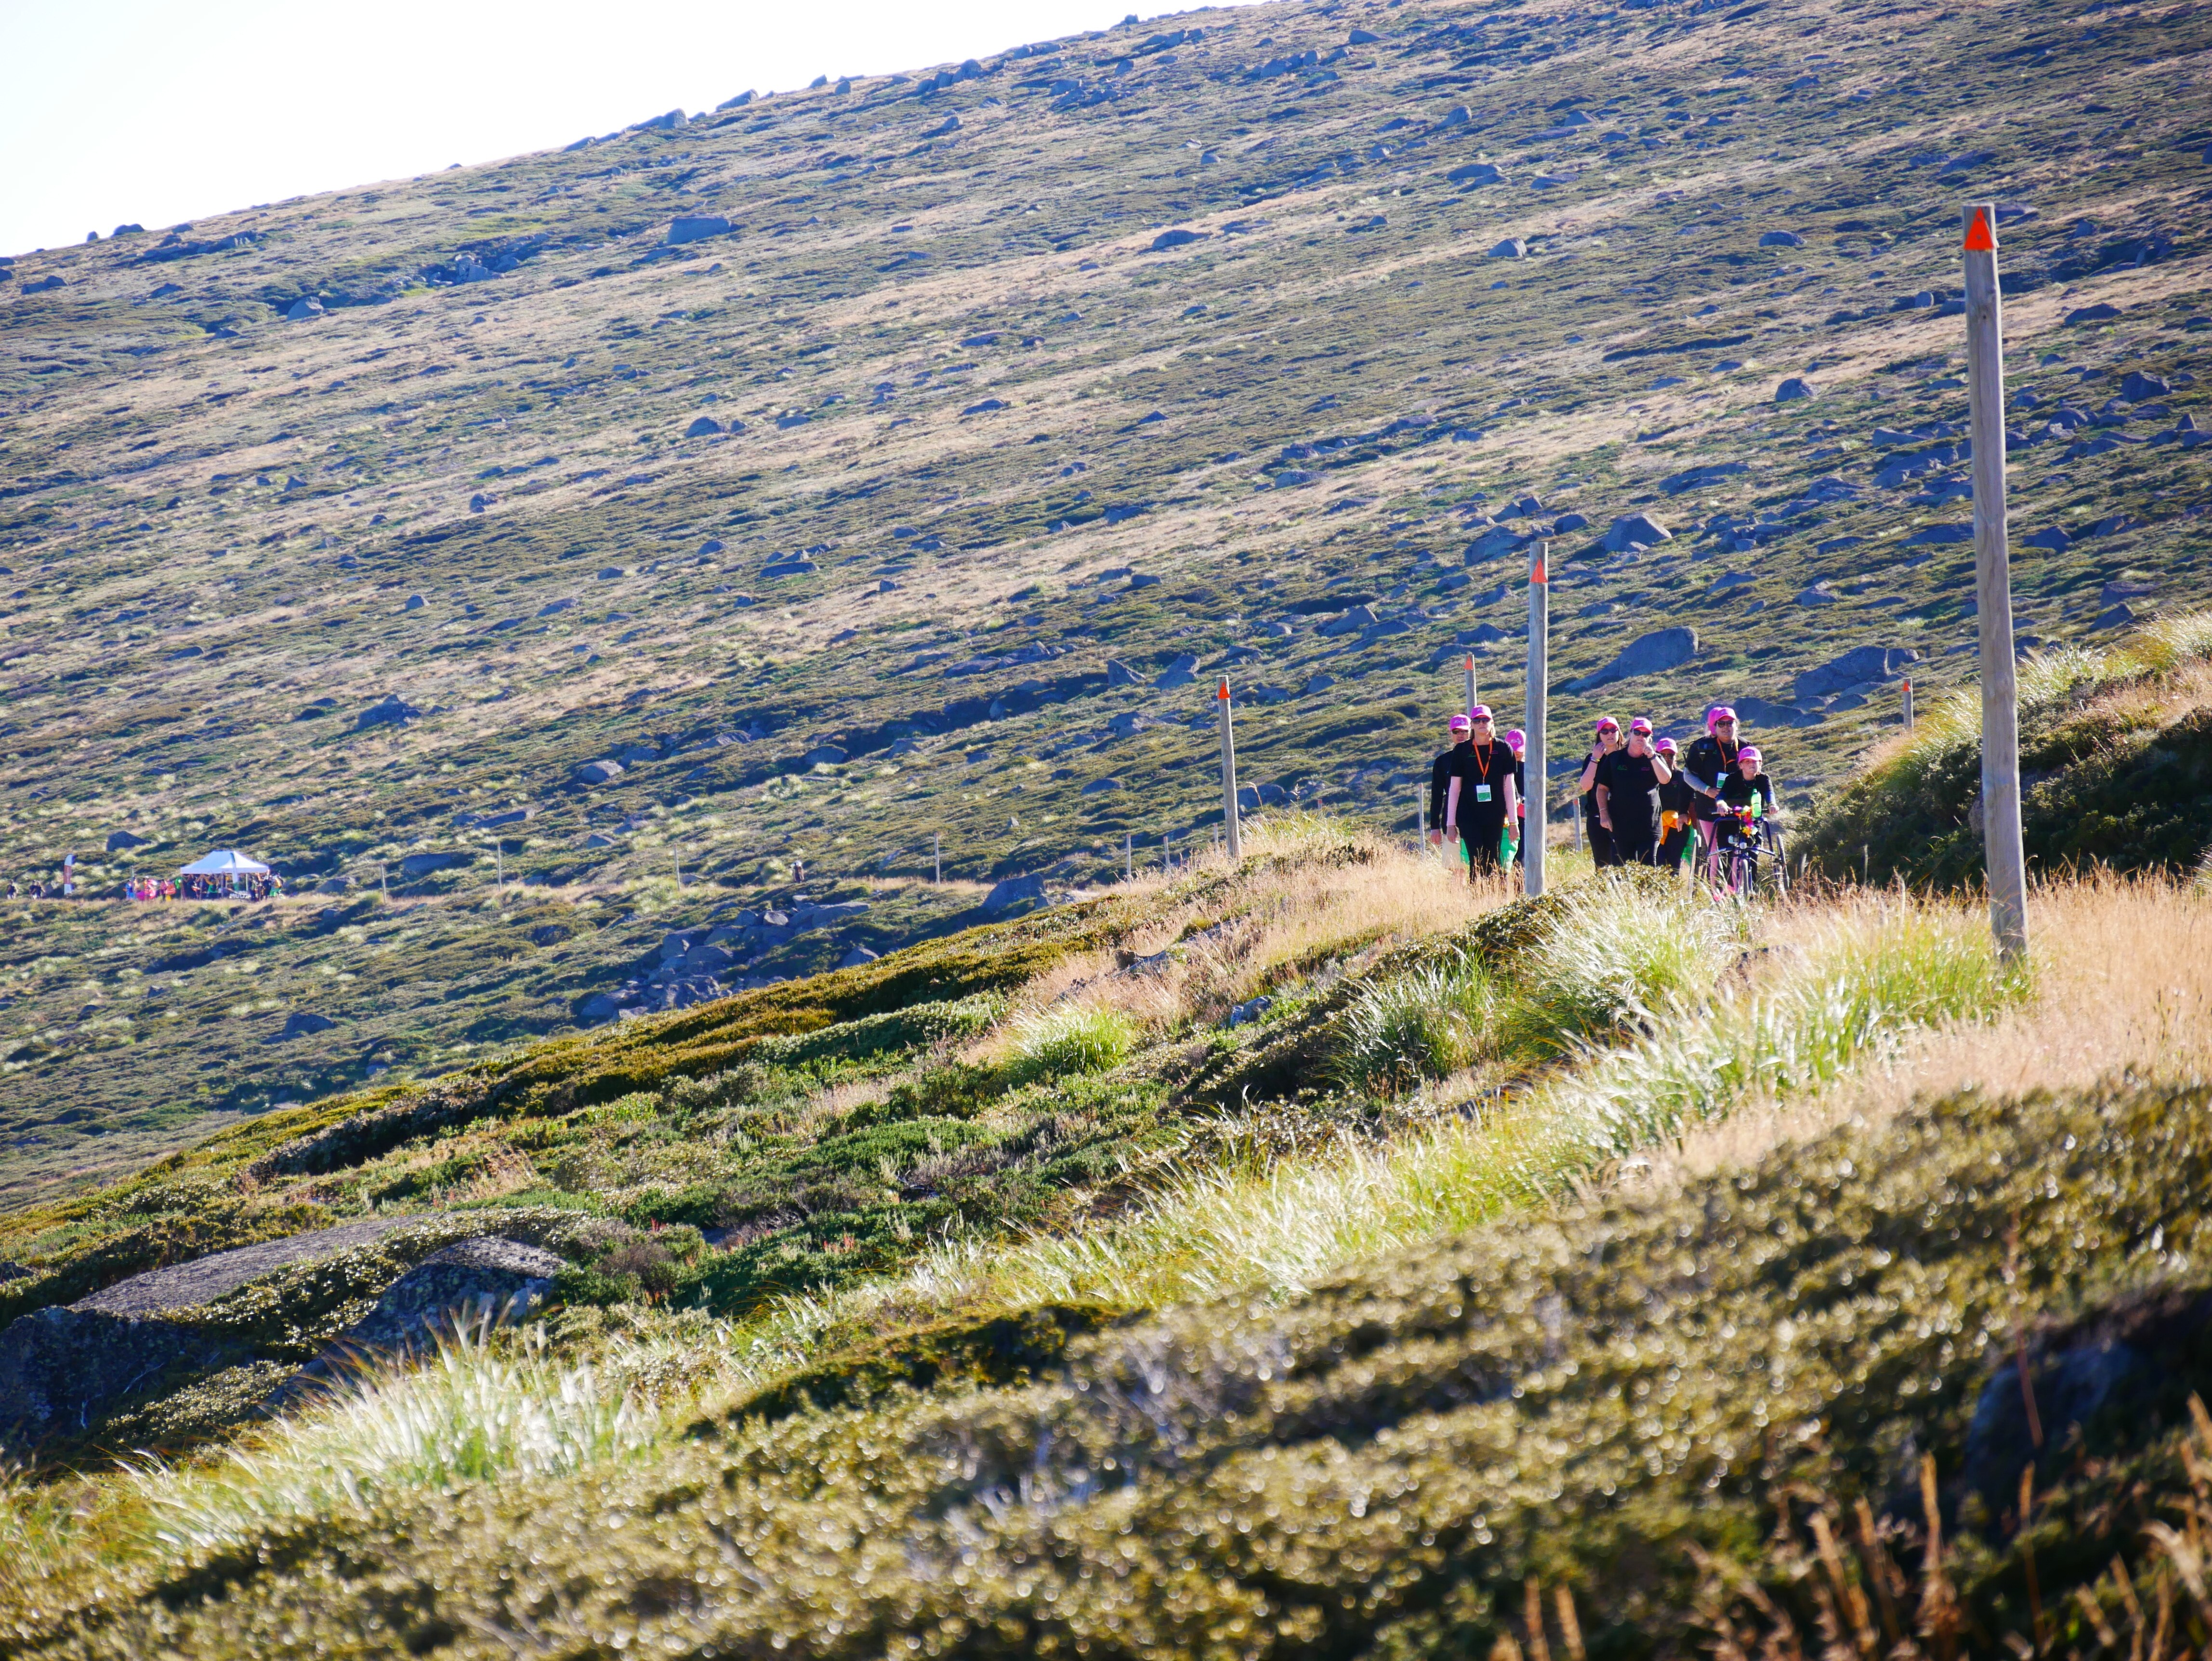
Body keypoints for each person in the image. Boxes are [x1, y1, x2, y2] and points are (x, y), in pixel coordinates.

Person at [1428, 705, 1519, 876]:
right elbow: (1454, 789)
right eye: (1477, 721)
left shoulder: (1504, 749)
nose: (1481, 724)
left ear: (1492, 723)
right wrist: (1450, 824)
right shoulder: (1462, 750)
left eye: (1485, 720)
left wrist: (1514, 823)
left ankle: (1494, 897)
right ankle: (1477, 895)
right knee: (1475, 859)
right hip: (1468, 814)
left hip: (1495, 813)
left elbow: (1509, 788)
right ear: (1472, 725)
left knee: (1493, 858)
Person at [1593, 718, 1671, 865]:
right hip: (1621, 826)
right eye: (1637, 732)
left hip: (1649, 826)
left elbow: (1666, 779)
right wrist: (1604, 814)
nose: (1641, 737)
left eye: (1645, 734)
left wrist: (1652, 756)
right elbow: (1602, 789)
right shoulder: (1615, 759)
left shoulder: (1655, 758)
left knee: (1648, 869)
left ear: (1650, 737)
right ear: (1630, 734)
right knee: (1625, 869)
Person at [1683, 706, 1746, 863]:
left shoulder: (1746, 747)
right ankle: (1715, 888)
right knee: (1715, 852)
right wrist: (1707, 790)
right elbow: (1688, 775)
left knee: (1739, 850)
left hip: (1738, 808)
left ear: (1736, 725)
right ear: (1715, 726)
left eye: (1729, 723)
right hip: (1708, 809)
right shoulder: (1702, 747)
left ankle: (1737, 887)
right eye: (1721, 724)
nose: (1726, 727)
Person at [1577, 718, 1624, 867]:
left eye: (1613, 730)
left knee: (1623, 862)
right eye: (1605, 731)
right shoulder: (1592, 759)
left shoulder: (1627, 757)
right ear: (1599, 735)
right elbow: (1585, 786)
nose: (1610, 734)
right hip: (1597, 817)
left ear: (1619, 732)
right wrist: (1595, 759)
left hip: (1623, 817)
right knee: (1602, 864)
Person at [1654, 738, 1697, 871]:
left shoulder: (1683, 777)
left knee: (1674, 864)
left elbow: (1692, 803)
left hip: (1678, 827)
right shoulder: (1650, 777)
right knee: (1657, 863)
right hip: (1655, 827)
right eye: (1663, 755)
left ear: (1676, 757)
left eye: (1671, 755)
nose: (1667, 759)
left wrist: (1697, 830)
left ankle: (1674, 890)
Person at [1502, 727, 1528, 870]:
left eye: (1520, 748)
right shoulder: (1503, 769)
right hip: (1506, 820)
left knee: (1521, 859)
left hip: (1525, 820)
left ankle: (1521, 891)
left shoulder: (1531, 769)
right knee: (1506, 859)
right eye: (1514, 749)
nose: (1517, 752)